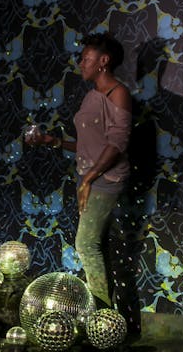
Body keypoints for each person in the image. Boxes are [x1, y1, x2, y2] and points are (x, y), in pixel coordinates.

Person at [26, 32, 133, 310]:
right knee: (95, 244)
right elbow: (89, 145)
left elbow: (117, 144)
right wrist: (54, 142)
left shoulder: (118, 93)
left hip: (105, 179)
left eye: (86, 59)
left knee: (86, 244)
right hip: (87, 178)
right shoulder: (91, 97)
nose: (81, 64)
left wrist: (89, 178)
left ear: (103, 61)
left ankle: (101, 316)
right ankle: (104, 312)